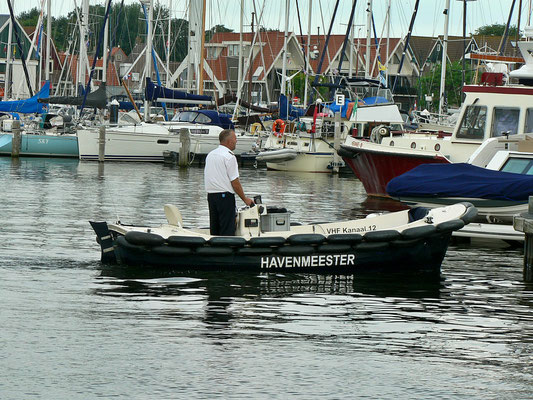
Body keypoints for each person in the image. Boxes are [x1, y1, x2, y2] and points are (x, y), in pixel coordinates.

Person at [204, 129, 254, 236]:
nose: (236, 141)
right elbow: (235, 183)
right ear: (229, 142)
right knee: (227, 228)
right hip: (225, 197)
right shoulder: (229, 157)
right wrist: (245, 199)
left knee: (215, 228)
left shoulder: (211, 155)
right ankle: (227, 249)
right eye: (235, 139)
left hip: (211, 196)